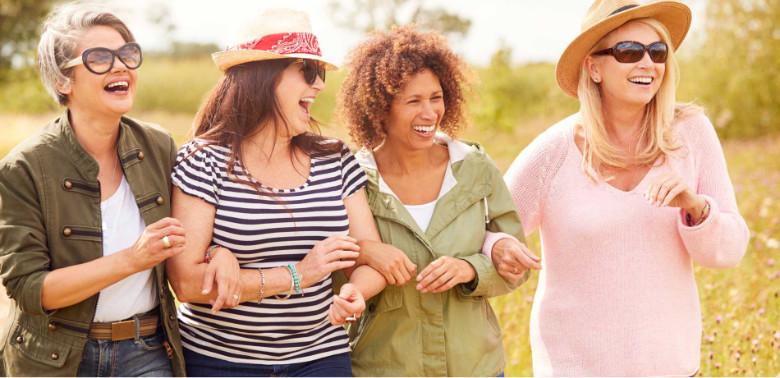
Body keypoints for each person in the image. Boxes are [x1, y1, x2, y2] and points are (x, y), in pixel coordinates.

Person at [486, 0, 751, 375]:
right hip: (574, 367)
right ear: (593, 67)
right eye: (628, 52)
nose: (648, 64)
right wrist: (498, 247)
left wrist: (696, 208)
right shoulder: (553, 151)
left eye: (657, 51)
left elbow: (729, 252)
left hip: (671, 366)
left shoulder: (691, 133)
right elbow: (487, 227)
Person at [164, 9, 386, 377]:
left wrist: (357, 292)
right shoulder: (203, 160)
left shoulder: (335, 158)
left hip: (321, 359)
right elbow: (187, 283)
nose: (319, 85)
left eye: (321, 73)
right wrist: (298, 274)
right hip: (219, 363)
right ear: (263, 77)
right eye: (308, 71)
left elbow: (368, 257)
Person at [0, 3, 186, 376]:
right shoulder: (24, 167)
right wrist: (132, 259)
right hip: (53, 360)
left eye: (127, 55)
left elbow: (192, 240)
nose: (120, 66)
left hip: (147, 351)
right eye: (99, 58)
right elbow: (30, 289)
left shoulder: (159, 146)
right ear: (62, 80)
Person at [334, 25, 529, 377]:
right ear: (379, 109)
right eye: (413, 101)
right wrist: (365, 252)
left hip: (475, 367)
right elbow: (334, 272)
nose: (430, 112)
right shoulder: (352, 179)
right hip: (385, 367)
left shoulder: (475, 168)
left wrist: (471, 269)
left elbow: (515, 265)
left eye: (436, 98)